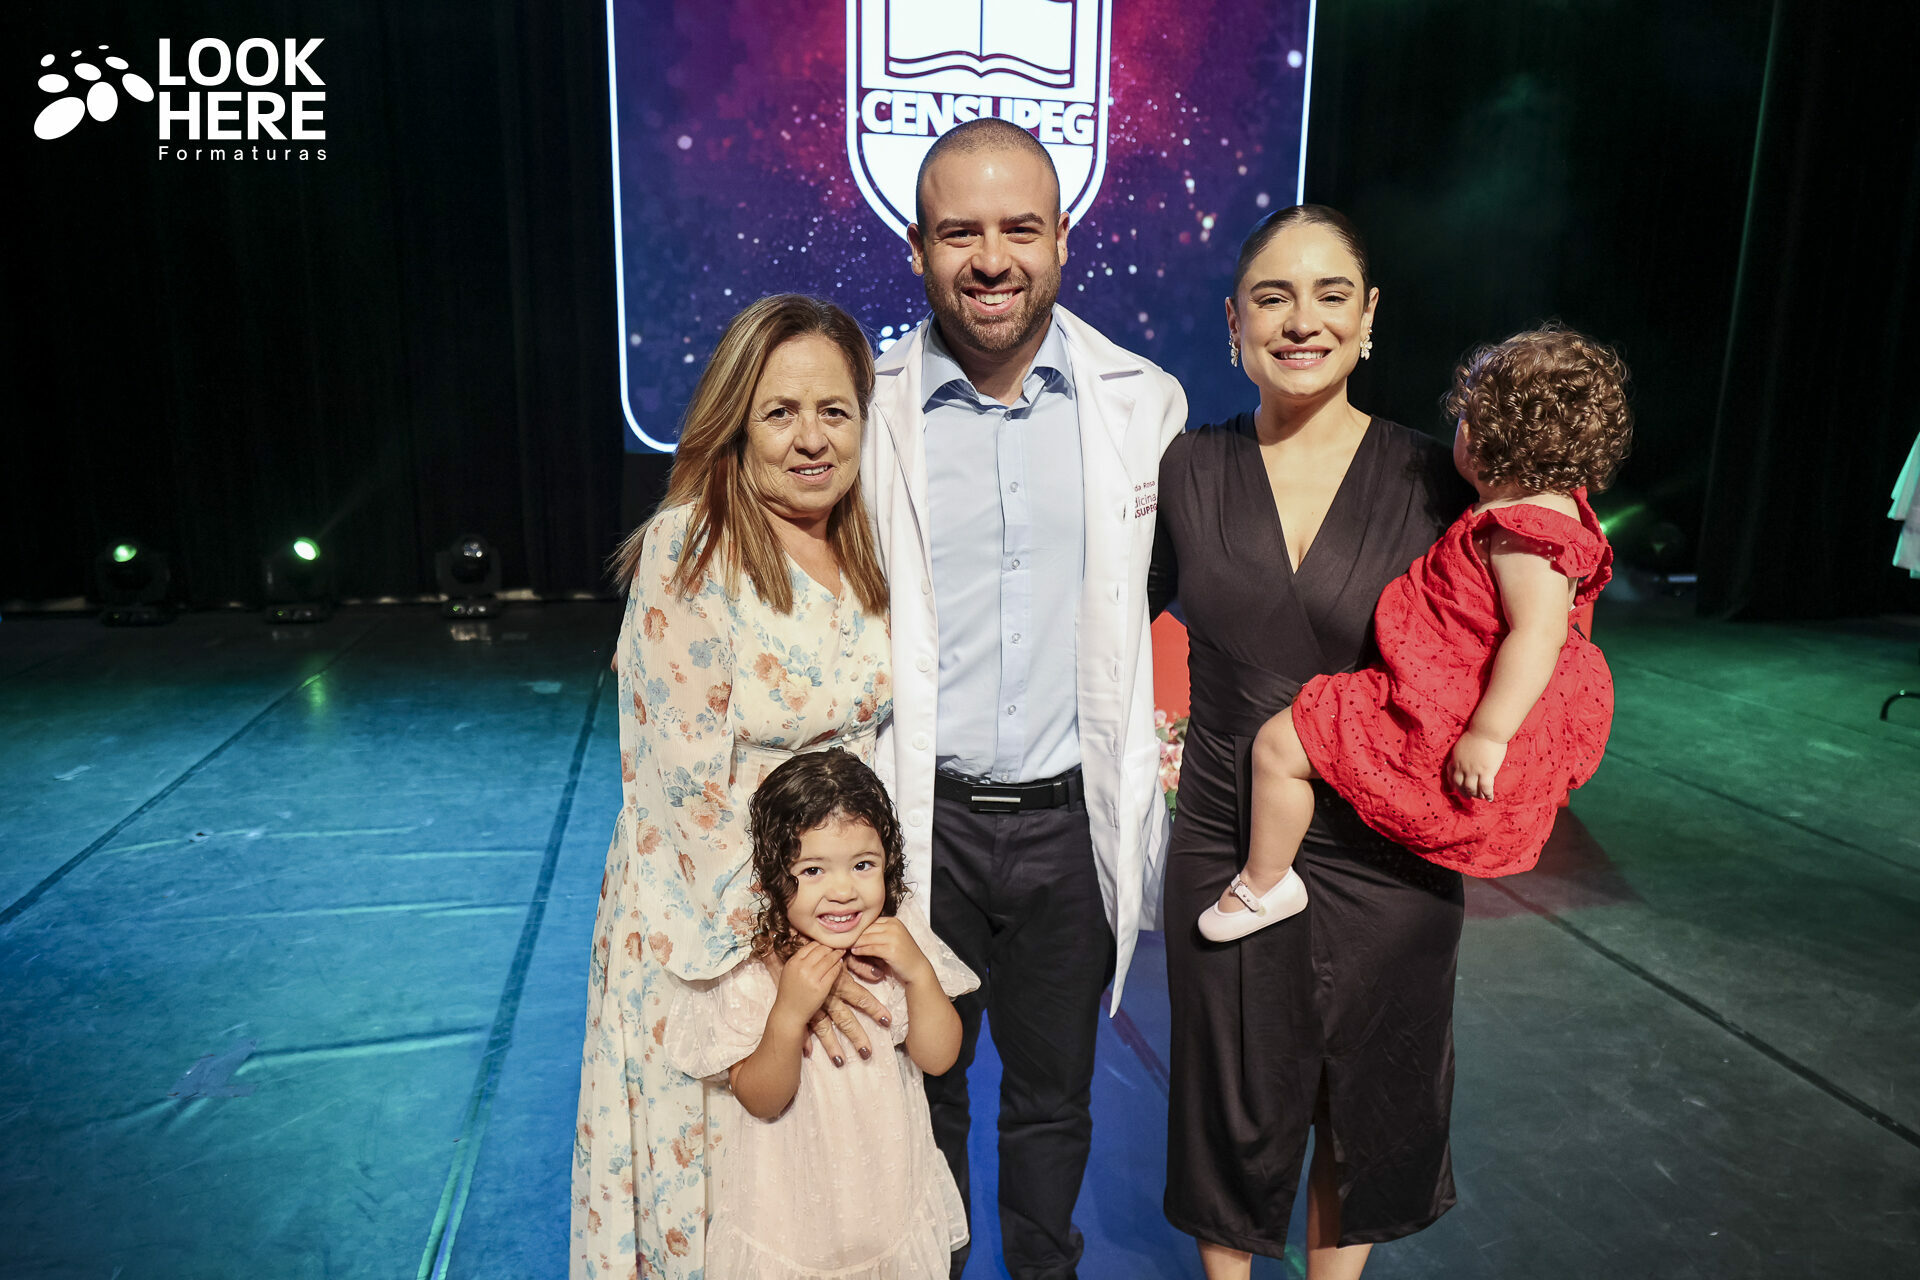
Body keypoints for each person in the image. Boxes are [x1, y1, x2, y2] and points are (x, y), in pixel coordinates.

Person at [863, 117, 1187, 1279]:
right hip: (920, 824)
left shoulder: (1144, 403)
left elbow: (1165, 591)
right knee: (918, 1092)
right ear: (917, 248)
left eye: (1019, 228)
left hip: (1065, 826)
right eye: (960, 232)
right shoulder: (865, 406)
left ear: (1062, 239)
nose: (991, 259)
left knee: (1054, 1102)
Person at [1150, 205, 1475, 1280]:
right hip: (1227, 836)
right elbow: (1102, 624)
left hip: (1389, 844)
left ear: (1369, 317)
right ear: (1232, 321)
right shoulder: (1188, 470)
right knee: (1227, 1089)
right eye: (1274, 297)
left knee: (1366, 1093)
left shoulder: (1437, 480)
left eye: (1331, 295)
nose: (1303, 321)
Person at [572, 294, 895, 1280]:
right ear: (735, 424)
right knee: (724, 1215)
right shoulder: (692, 547)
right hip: (715, 937)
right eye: (780, 412)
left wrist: (849, 922)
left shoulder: (869, 546)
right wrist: (789, 953)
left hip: (832, 917)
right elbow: (679, 793)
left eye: (834, 411)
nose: (811, 439)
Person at [1200, 324, 1631, 940]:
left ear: (1485, 435)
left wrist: (1486, 734)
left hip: (1445, 707)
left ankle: (1264, 884)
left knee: (1278, 746)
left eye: (1467, 420)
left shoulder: (1528, 530)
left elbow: (1539, 636)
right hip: (1440, 685)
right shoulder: (1535, 510)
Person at [663, 748, 979, 1279]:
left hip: (890, 1203)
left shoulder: (898, 935)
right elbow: (761, 1099)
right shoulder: (751, 968)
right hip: (792, 1225)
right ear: (772, 878)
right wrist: (788, 1015)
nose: (843, 891)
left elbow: (940, 1057)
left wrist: (920, 975)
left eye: (863, 865)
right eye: (812, 870)